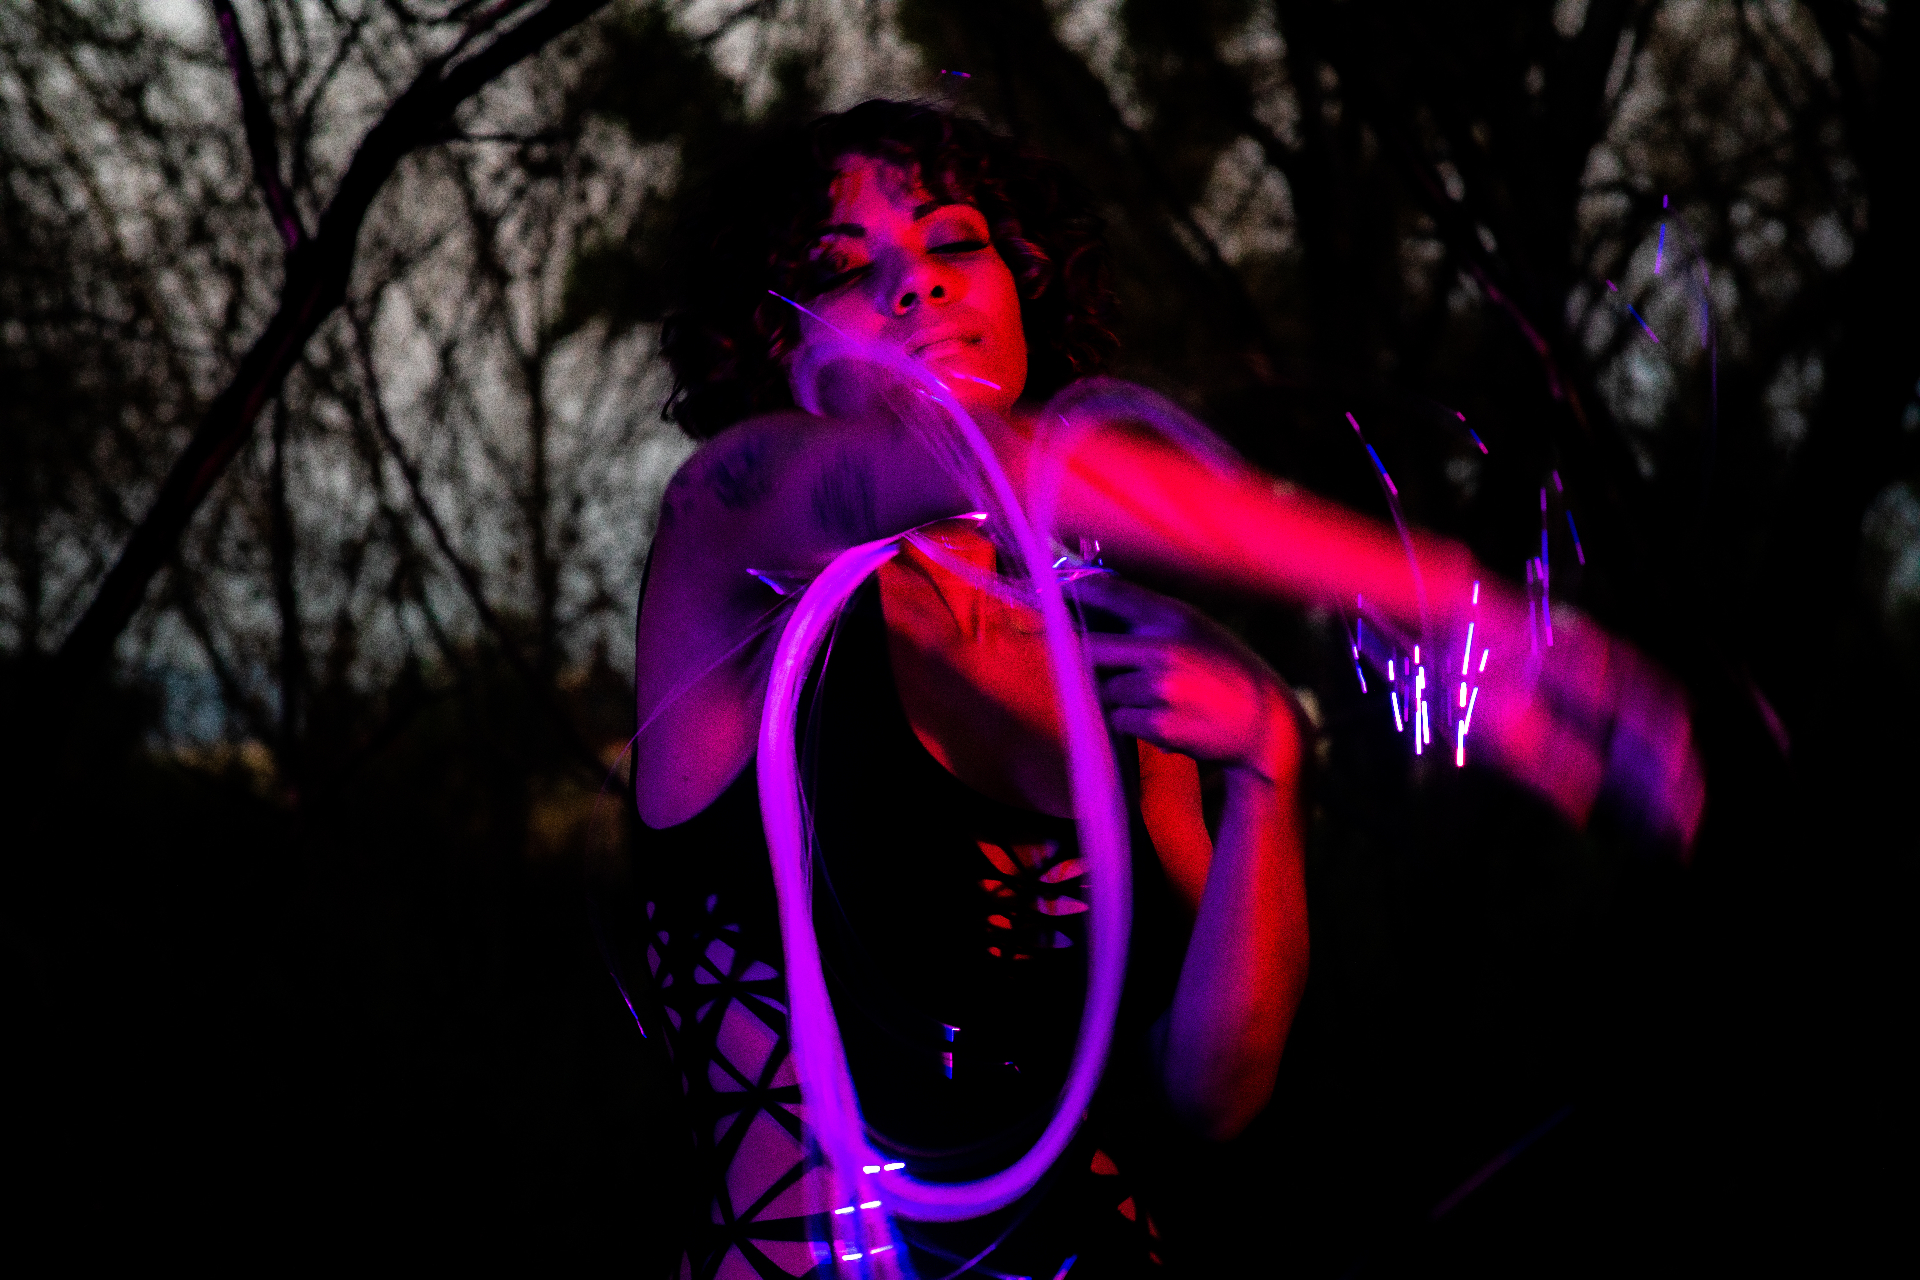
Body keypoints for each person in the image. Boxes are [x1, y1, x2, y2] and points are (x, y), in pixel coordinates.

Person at [622, 99, 1699, 1280]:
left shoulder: (1107, 651)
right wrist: (1449, 594)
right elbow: (1005, 466)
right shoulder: (730, 531)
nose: (916, 287)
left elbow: (1212, 1088)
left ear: (1023, 280)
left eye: (955, 242)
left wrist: (1265, 770)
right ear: (771, 344)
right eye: (841, 268)